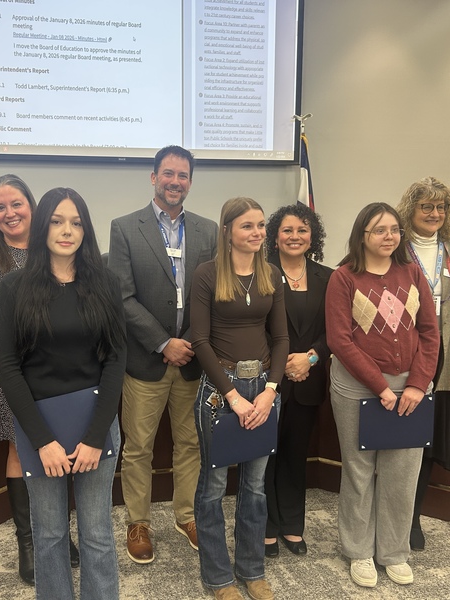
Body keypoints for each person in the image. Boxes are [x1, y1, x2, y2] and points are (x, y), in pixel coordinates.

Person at [0, 187, 125, 600]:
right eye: (56, 221)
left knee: (98, 533)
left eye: (76, 222)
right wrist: (42, 441)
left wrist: (93, 437)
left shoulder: (106, 282)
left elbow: (115, 363)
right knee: (49, 535)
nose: (67, 231)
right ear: (42, 227)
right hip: (40, 431)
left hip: (96, 427)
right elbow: (8, 367)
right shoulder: (15, 287)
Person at [0, 175, 79, 583]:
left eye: (17, 204)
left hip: (65, 379)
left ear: (33, 207)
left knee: (62, 451)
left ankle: (59, 535)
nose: (10, 213)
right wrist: (40, 357)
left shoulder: (55, 249)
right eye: (0, 207)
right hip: (16, 376)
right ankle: (28, 543)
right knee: (22, 453)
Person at [108, 145, 218, 563]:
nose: (175, 182)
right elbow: (122, 296)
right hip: (145, 360)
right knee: (138, 447)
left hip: (192, 358)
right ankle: (138, 521)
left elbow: (210, 296)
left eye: (183, 176)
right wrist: (163, 343)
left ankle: (185, 514)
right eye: (168, 174)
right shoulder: (125, 228)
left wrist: (187, 341)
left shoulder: (208, 231)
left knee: (190, 443)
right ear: (153, 177)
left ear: (190, 181)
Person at [325, 202, 439, 588]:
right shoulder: (344, 278)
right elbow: (340, 340)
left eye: (394, 230)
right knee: (359, 471)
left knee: (402, 474)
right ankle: (358, 551)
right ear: (362, 236)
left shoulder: (412, 273)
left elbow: (429, 333)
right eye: (379, 230)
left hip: (410, 388)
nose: (389, 237)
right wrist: (379, 387)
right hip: (357, 387)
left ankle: (393, 552)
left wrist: (417, 385)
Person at [191, 197, 289, 600]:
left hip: (264, 387)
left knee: (255, 487)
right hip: (221, 390)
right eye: (248, 225)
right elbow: (199, 340)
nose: (257, 232)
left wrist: (270, 391)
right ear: (228, 230)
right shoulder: (207, 274)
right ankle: (218, 577)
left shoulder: (271, 274)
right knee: (214, 486)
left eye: (261, 225)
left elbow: (281, 338)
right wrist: (233, 396)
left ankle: (251, 571)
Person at [396, 177, 450, 550]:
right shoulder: (396, 246)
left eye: (441, 207)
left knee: (425, 442)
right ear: (411, 209)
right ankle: (391, 513)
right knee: (398, 437)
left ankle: (413, 517)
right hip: (405, 352)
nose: (434, 213)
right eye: (426, 206)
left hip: (446, 355)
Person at [263, 204, 333, 558]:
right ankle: (266, 527)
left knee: (294, 455)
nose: (295, 236)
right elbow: (253, 326)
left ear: (312, 236)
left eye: (302, 230)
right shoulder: (260, 273)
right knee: (265, 456)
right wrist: (282, 363)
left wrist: (310, 358)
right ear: (275, 236)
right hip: (268, 382)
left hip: (308, 378)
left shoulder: (329, 277)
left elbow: (335, 330)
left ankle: (292, 525)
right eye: (287, 230)